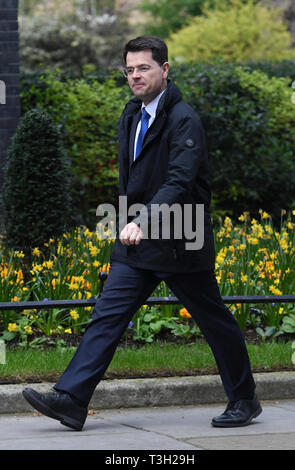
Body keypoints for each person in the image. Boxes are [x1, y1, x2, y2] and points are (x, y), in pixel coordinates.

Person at [23, 36, 262, 431]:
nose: (135, 75)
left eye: (143, 68)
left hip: (181, 241)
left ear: (164, 69)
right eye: (129, 69)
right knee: (108, 315)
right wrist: (126, 222)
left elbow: (179, 181)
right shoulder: (132, 114)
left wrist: (142, 221)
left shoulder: (184, 118)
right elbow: (132, 180)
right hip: (137, 239)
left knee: (213, 320)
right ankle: (72, 400)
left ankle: (244, 399)